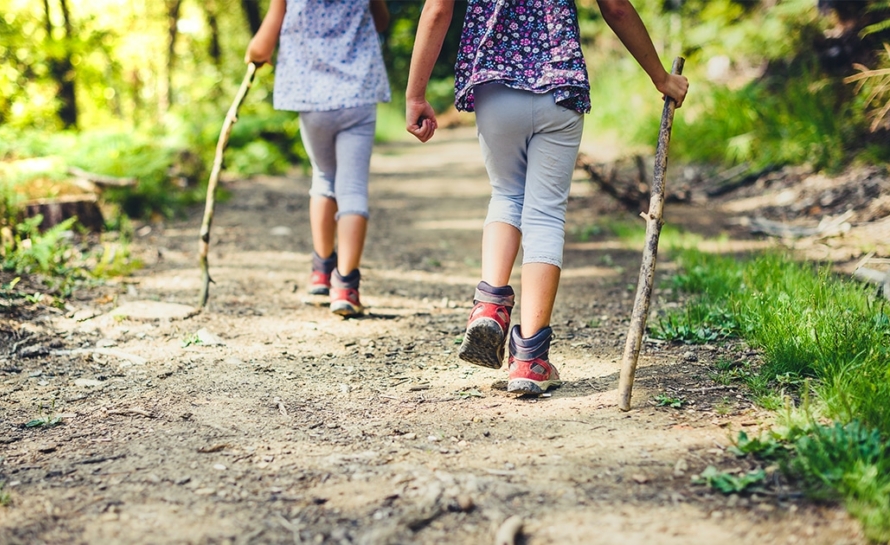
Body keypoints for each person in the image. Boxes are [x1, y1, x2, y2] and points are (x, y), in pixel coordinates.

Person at [406, 0, 689, 394]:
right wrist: (661, 77)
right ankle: (529, 360)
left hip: (495, 87)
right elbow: (616, 8)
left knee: (506, 195)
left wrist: (415, 95)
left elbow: (437, 9)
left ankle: (489, 305)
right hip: (561, 88)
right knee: (545, 215)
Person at [246, 0, 391, 317]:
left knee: (324, 178)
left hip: (311, 97)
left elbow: (264, 42)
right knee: (352, 189)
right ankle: (346, 286)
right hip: (357, 94)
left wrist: (256, 53)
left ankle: (321, 273)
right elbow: (381, 21)